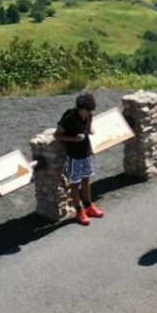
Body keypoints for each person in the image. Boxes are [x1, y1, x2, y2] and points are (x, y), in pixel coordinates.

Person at [54, 93, 103, 227]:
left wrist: (89, 129)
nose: (89, 114)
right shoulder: (69, 116)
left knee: (86, 178)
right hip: (74, 156)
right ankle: (79, 210)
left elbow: (89, 127)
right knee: (75, 183)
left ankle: (89, 205)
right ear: (80, 108)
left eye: (90, 111)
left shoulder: (89, 115)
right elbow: (57, 135)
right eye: (87, 111)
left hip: (86, 152)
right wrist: (74, 139)